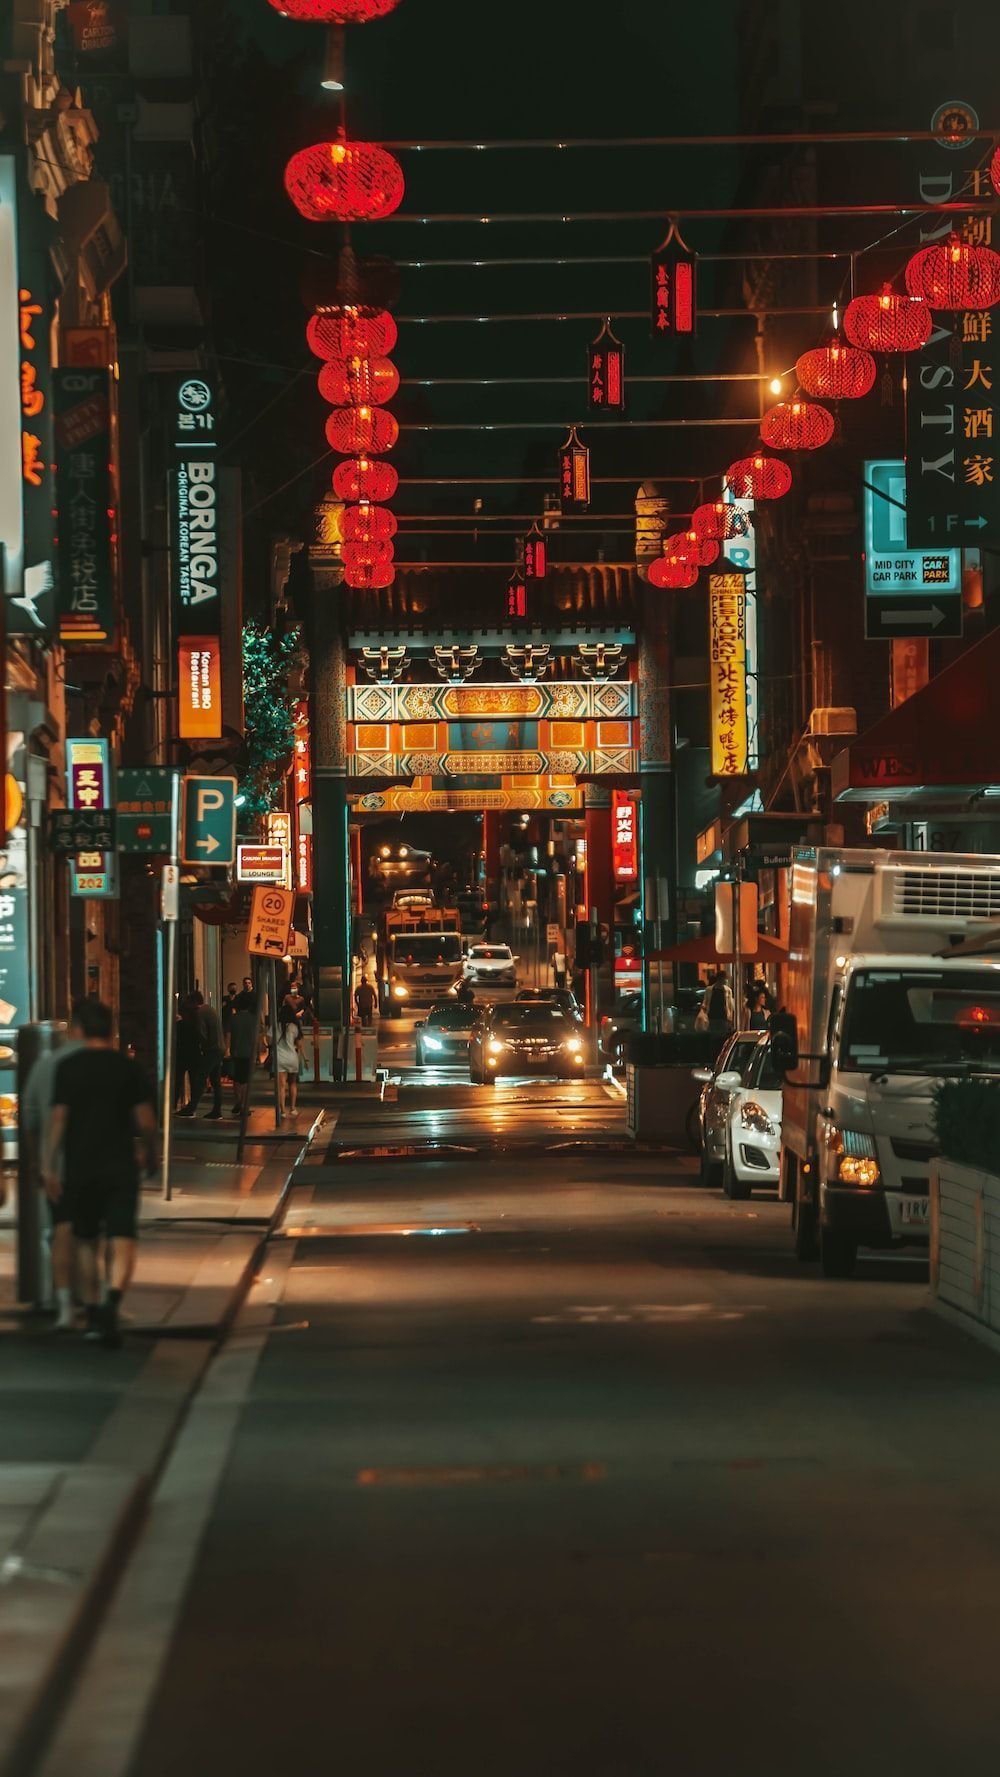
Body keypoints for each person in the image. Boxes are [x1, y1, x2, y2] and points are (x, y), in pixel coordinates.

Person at [43, 1000, 158, 1349]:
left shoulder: (68, 1068)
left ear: (77, 1029)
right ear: (111, 1029)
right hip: (120, 1165)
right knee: (122, 1236)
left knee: (85, 1240)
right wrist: (152, 1154)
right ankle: (112, 1300)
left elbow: (58, 1120)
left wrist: (49, 1165)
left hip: (80, 1166)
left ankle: (92, 1311)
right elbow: (147, 1123)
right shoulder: (127, 1067)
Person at [22, 1029, 85, 1330]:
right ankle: (95, 1300)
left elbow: (32, 1117)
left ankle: (63, 1304)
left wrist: (40, 1162)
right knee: (91, 1236)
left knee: (60, 1230)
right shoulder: (106, 1063)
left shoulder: (45, 1067)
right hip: (97, 1164)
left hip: (57, 1166)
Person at [180, 991, 224, 1119]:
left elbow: (202, 1034)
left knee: (199, 1078)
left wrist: (202, 1048)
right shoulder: (210, 1009)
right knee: (216, 1081)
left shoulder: (199, 1013)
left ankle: (191, 1108)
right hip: (219, 1048)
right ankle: (217, 1110)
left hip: (212, 1050)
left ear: (194, 1002)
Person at [229, 990, 258, 1117]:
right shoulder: (253, 1019)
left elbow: (228, 1036)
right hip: (249, 1053)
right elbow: (257, 1038)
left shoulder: (233, 1019)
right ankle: (244, 1106)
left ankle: (238, 1101)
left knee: (236, 1079)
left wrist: (228, 1050)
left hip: (236, 1052)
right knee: (246, 1080)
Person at [275, 998, 303, 1116]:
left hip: (280, 1057)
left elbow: (269, 1040)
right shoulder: (294, 1027)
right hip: (292, 1057)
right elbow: (299, 1044)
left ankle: (282, 1111)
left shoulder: (276, 1026)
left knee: (281, 1086)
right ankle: (293, 1108)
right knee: (292, 1083)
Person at [704, 969, 735, 1035]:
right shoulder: (709, 989)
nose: (726, 980)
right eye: (725, 978)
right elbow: (706, 1002)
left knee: (723, 1035)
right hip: (712, 1017)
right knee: (713, 1034)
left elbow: (730, 1005)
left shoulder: (728, 990)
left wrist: (730, 1018)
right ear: (720, 978)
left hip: (723, 1017)